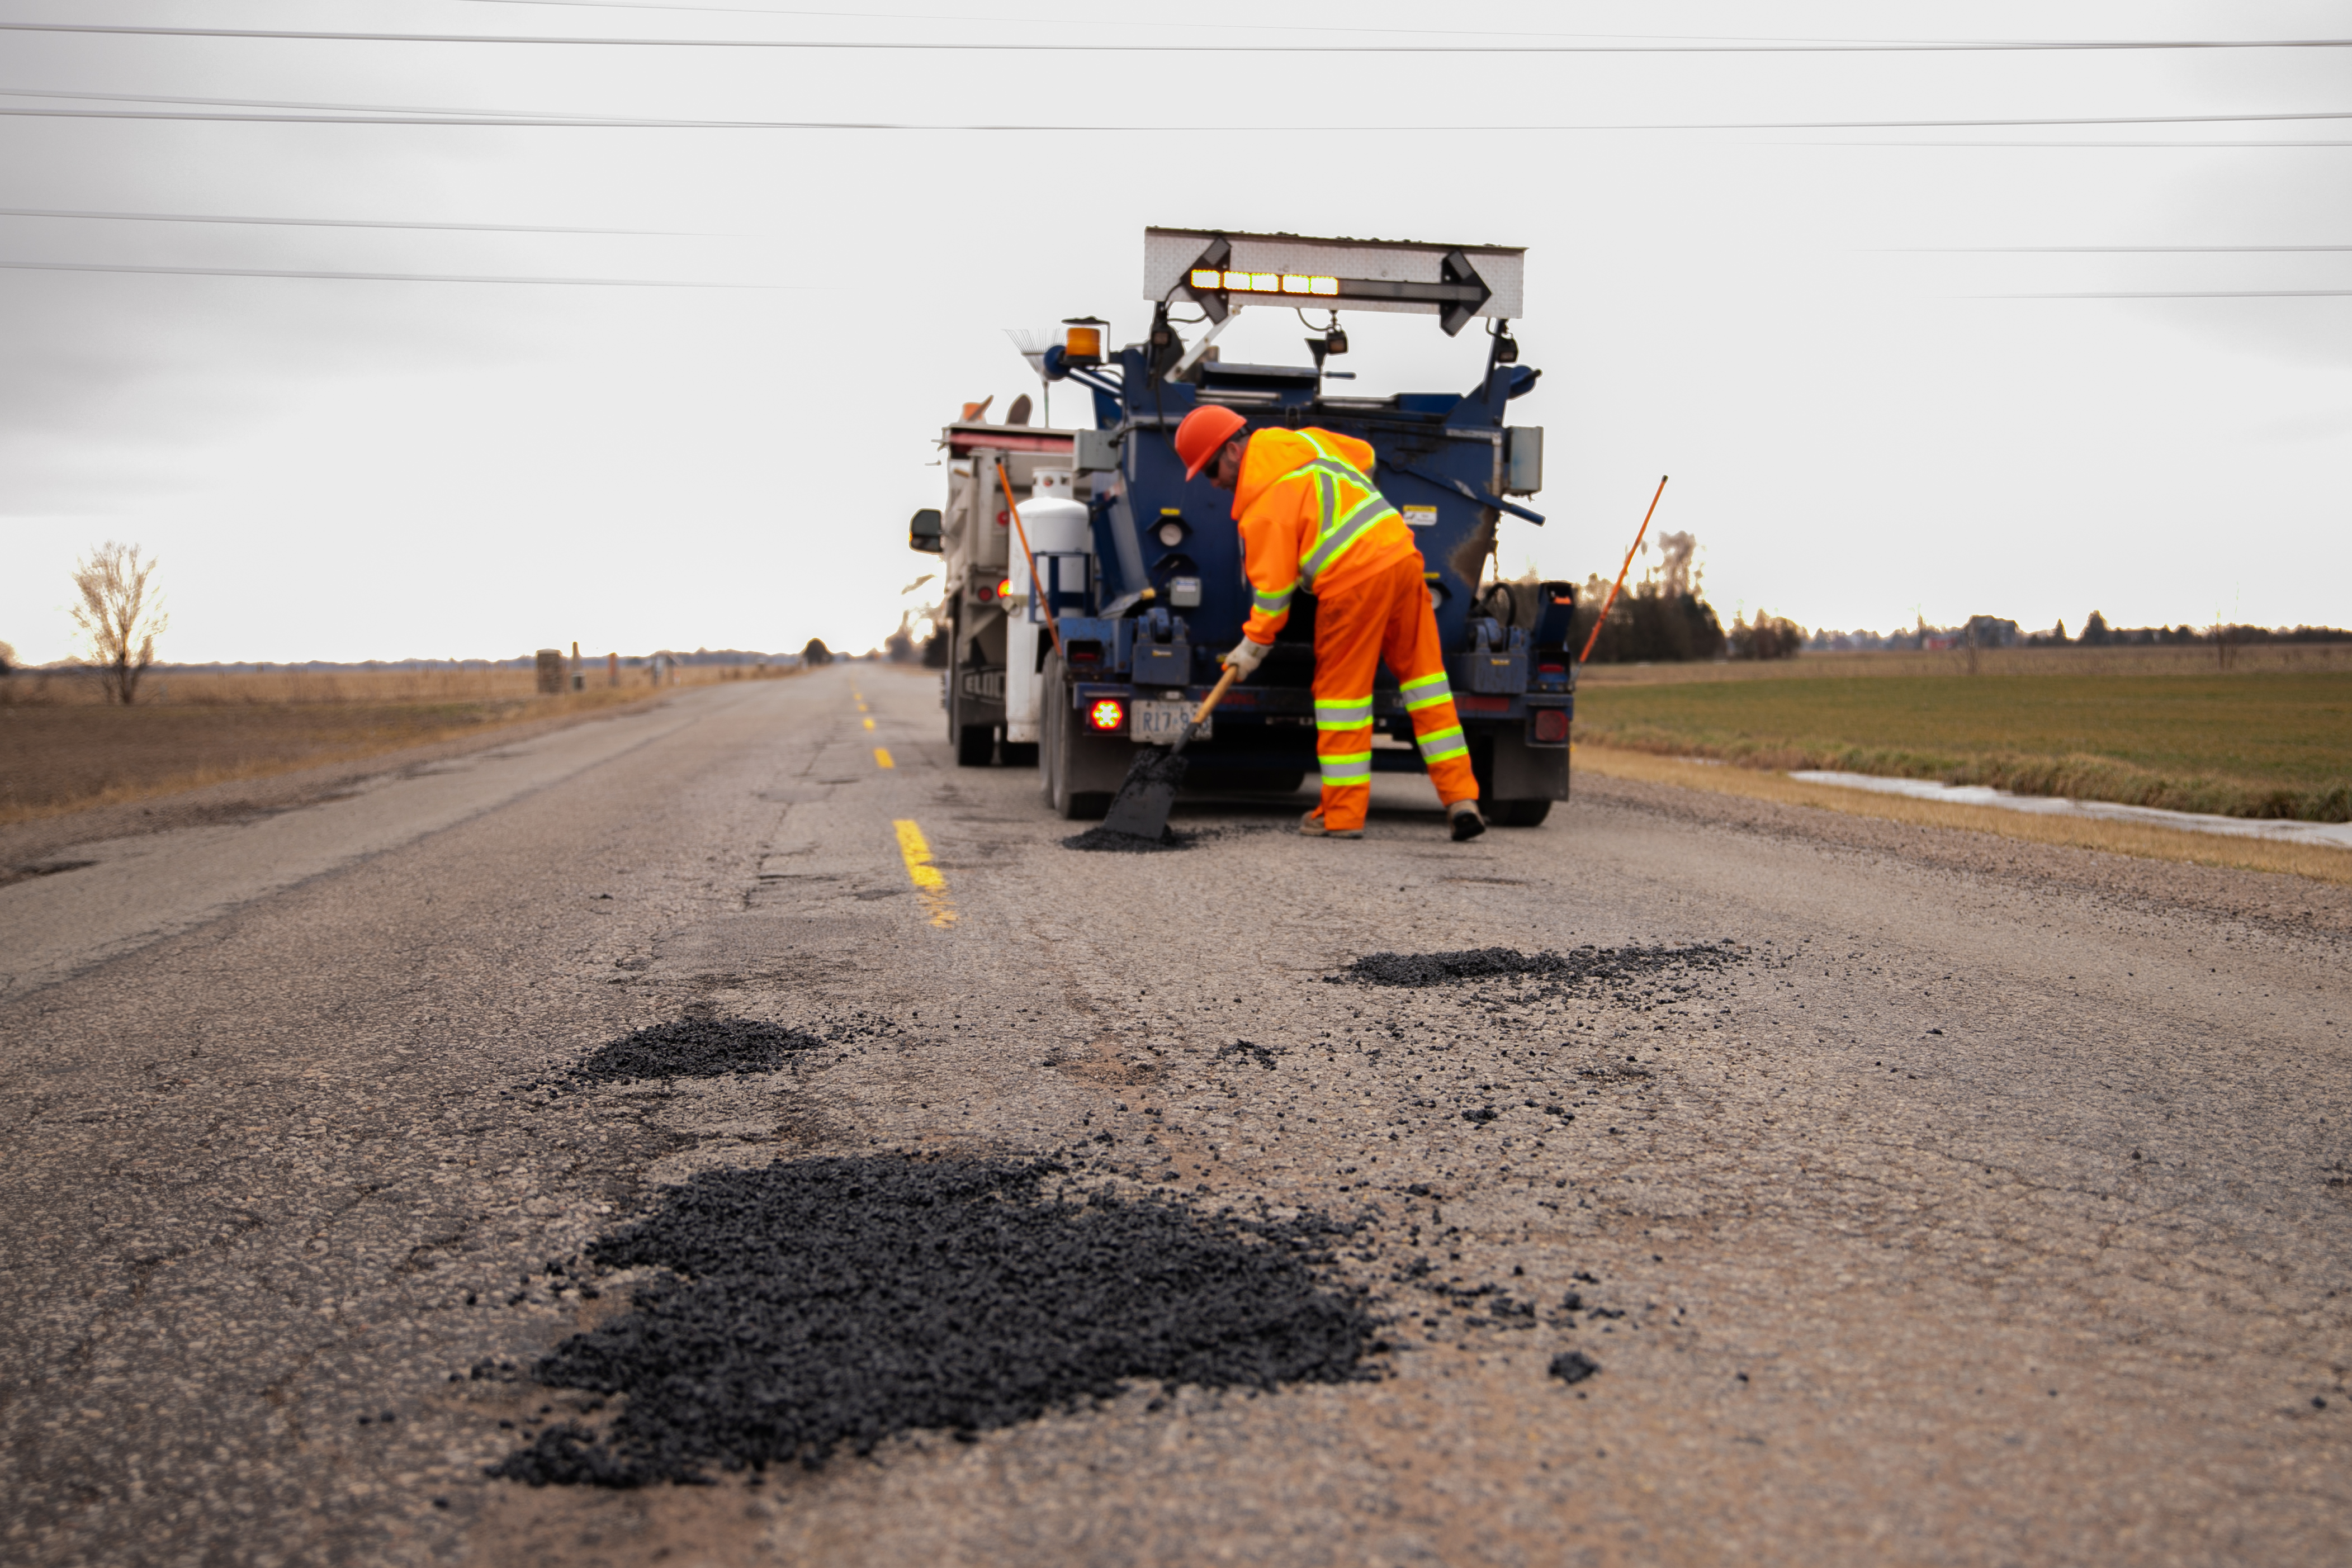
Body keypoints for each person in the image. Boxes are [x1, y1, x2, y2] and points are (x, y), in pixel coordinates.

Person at [1173, 404, 1484, 842]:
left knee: (1342, 697)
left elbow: (1274, 595)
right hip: (1401, 558)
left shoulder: (1262, 507)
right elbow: (1365, 456)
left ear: (1230, 451)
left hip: (1353, 582)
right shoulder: (1305, 441)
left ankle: (1341, 816)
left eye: (1208, 469)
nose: (1214, 483)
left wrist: (1251, 648)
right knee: (1425, 682)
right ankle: (1461, 800)